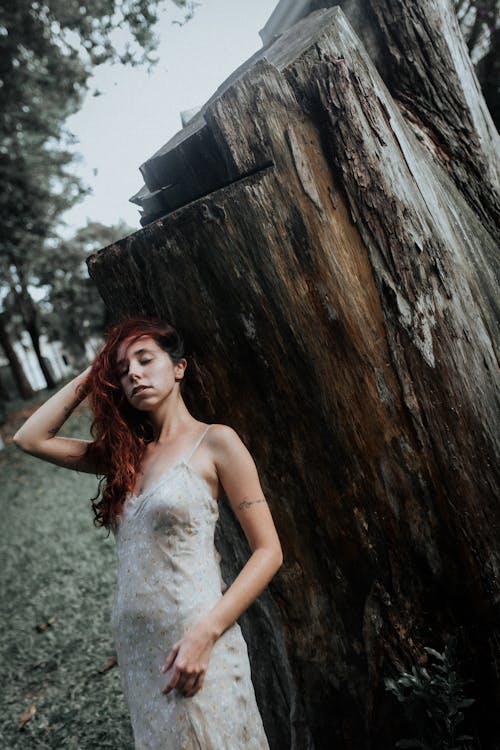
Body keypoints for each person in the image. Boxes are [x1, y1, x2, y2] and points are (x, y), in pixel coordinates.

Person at [13, 316, 283, 749]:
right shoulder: (124, 459)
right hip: (140, 655)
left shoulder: (217, 442)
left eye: (145, 359)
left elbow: (269, 551)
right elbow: (30, 438)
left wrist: (205, 633)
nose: (134, 373)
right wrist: (96, 370)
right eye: (122, 370)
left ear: (179, 367)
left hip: (196, 641)